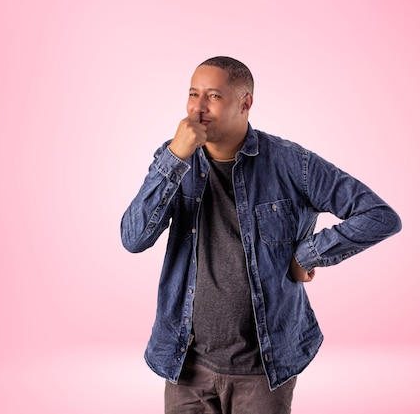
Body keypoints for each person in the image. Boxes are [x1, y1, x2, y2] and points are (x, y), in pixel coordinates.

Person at [121, 56, 401, 413]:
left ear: (245, 103)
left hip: (263, 369)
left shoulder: (290, 163)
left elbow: (378, 215)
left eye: (213, 96)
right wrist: (175, 157)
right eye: (193, 94)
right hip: (185, 365)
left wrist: (309, 254)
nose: (198, 108)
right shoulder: (175, 160)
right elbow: (133, 238)